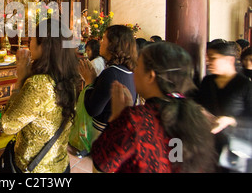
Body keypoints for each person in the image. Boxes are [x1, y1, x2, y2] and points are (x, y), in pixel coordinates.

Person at [92, 42, 216, 173]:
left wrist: (116, 118)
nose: (133, 71)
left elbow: (101, 164)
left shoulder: (135, 119)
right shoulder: (197, 118)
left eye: (138, 66)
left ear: (150, 76)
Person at [0, 18, 80, 173]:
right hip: (61, 165)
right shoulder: (70, 78)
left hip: (34, 168)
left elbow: (8, 125)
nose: (29, 44)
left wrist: (20, 80)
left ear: (43, 45)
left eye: (32, 40)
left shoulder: (39, 84)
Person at [194, 40, 252, 171]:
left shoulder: (244, 85)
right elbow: (198, 104)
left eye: (213, 58)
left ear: (229, 60)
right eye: (208, 58)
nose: (208, 62)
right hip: (209, 147)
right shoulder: (207, 82)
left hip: (234, 149)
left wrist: (230, 120)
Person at [79, 25, 137, 140]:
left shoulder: (111, 73)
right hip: (117, 133)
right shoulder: (128, 71)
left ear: (113, 44)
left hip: (101, 136)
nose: (101, 42)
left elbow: (93, 110)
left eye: (104, 39)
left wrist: (89, 81)